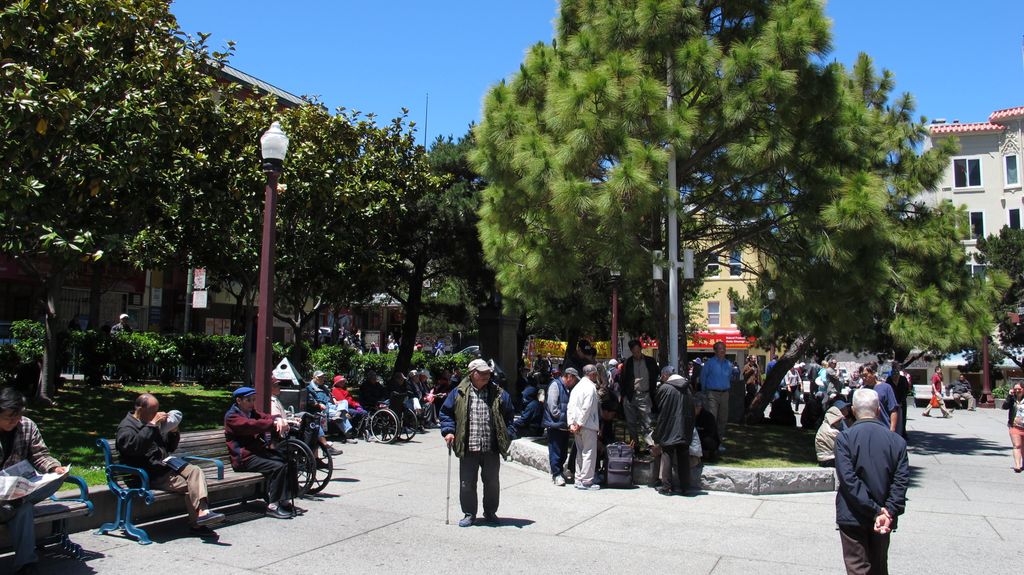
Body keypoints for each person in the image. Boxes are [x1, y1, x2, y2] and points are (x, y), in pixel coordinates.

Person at [116, 393, 224, 533]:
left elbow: (169, 448)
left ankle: (203, 513)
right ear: (140, 410)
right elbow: (135, 448)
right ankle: (198, 522)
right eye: (153, 412)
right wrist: (152, 425)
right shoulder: (126, 428)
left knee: (195, 470)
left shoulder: (149, 423)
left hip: (163, 468)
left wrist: (173, 430)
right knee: (194, 486)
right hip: (147, 475)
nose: (157, 415)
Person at [835, 388, 909, 575]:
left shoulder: (844, 438)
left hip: (852, 514)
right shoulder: (897, 442)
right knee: (879, 567)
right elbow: (900, 483)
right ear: (878, 410)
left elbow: (848, 480)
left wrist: (875, 510)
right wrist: (888, 511)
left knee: (857, 568)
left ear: (853, 410)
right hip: (885, 516)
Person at [440, 358, 515, 527]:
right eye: (482, 373)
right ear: (472, 373)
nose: (486, 376)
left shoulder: (498, 392)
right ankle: (469, 514)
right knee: (467, 483)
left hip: (491, 446)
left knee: (492, 483)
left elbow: (510, 415)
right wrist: (449, 431)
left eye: (488, 372)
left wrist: (507, 434)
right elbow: (446, 413)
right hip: (468, 446)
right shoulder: (458, 392)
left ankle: (490, 512)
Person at [0, 388, 68, 575]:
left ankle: (25, 565)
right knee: (23, 509)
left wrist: (54, 468)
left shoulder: (27, 426)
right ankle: (26, 564)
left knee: (55, 481)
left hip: (17, 491)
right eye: (9, 418)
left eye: (17, 417)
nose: (14, 422)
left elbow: (39, 455)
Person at [223, 387, 295, 519]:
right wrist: (273, 424)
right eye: (248, 400)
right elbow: (252, 425)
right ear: (239, 400)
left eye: (253, 400)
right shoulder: (232, 417)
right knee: (277, 467)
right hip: (243, 458)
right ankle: (273, 506)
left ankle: (284, 500)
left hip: (255, 453)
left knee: (288, 460)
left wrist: (278, 419)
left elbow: (265, 417)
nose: (252, 403)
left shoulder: (251, 412)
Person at [652, 374, 695, 495]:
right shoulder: (689, 389)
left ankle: (666, 487)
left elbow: (657, 405)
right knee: (683, 456)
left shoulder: (665, 388)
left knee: (667, 454)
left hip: (669, 425)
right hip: (685, 426)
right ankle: (685, 487)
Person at [567, 364, 600, 490]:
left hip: (576, 425)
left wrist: (572, 423)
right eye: (595, 374)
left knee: (580, 452)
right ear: (592, 374)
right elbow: (586, 408)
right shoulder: (590, 388)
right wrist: (580, 423)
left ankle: (579, 478)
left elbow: (570, 406)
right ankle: (586, 481)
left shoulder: (577, 387)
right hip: (587, 425)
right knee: (588, 453)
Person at [620, 339, 659, 449]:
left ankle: (650, 446)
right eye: (634, 351)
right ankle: (635, 446)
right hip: (630, 396)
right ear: (631, 351)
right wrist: (624, 396)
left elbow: (655, 374)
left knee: (647, 423)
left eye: (638, 351)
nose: (636, 353)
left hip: (645, 395)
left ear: (641, 349)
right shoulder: (627, 362)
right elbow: (622, 379)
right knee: (631, 423)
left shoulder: (650, 361)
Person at [543, 368, 577, 486]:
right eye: (574, 379)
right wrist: (563, 417)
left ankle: (559, 472)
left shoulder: (566, 388)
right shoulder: (555, 385)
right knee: (555, 451)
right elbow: (553, 407)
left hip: (563, 425)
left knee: (562, 452)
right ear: (569, 377)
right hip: (555, 425)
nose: (574, 382)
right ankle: (556, 474)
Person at [700, 342, 732, 447]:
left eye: (724, 348)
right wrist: (704, 392)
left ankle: (720, 441)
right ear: (715, 351)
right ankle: (711, 441)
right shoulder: (710, 363)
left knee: (723, 418)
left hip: (725, 393)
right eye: (720, 349)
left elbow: (730, 378)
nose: (723, 350)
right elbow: (703, 377)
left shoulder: (729, 364)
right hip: (712, 393)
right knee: (712, 418)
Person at [861, 365, 899, 433]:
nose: (864, 378)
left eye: (865, 375)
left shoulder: (886, 388)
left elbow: (893, 410)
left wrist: (892, 429)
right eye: (862, 376)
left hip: (884, 428)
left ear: (873, 373)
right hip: (868, 430)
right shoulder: (863, 391)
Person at [815, 400, 851, 467]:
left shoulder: (826, 425)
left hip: (827, 458)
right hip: (829, 459)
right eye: (839, 420)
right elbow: (843, 446)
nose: (840, 422)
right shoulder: (831, 431)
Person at [1002, 382, 1024, 472]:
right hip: (1014, 426)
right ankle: (1018, 466)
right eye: (1015, 389)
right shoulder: (1012, 399)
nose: (1017, 390)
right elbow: (1004, 407)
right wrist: (1009, 396)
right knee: (1017, 445)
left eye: (1019, 389)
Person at [885, 363, 910, 439]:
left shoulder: (903, 379)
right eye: (893, 372)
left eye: (897, 372)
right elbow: (887, 391)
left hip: (902, 401)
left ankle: (903, 432)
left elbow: (906, 390)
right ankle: (892, 431)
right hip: (892, 401)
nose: (895, 374)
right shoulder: (889, 379)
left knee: (903, 417)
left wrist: (901, 402)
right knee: (892, 417)